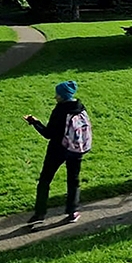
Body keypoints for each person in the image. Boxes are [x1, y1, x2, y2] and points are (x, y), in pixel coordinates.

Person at [24, 80, 87, 224]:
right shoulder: (80, 107)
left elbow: (48, 134)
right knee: (73, 180)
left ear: (63, 95)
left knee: (45, 180)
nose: (55, 97)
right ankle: (72, 211)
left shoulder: (60, 110)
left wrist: (34, 122)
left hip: (57, 149)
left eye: (57, 94)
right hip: (76, 149)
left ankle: (39, 214)